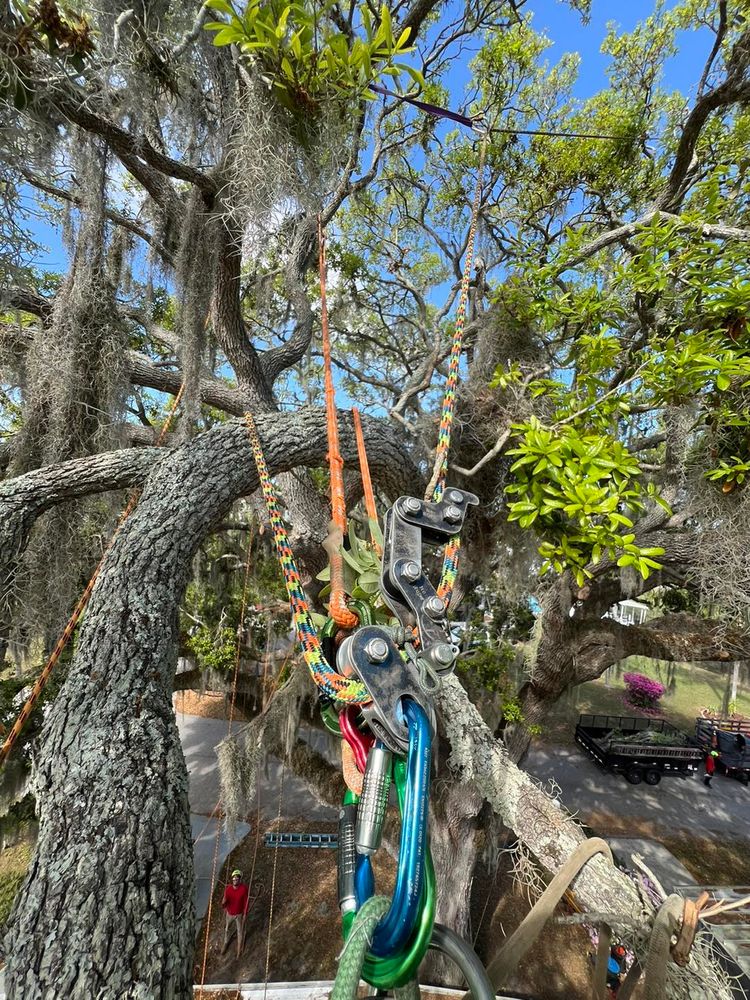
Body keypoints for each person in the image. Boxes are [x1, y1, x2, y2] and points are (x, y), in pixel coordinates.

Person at [222, 869, 249, 957]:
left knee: (240, 931)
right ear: (232, 879)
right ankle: (225, 943)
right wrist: (223, 903)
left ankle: (239, 948)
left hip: (239, 914)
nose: (235, 880)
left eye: (237, 878)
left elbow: (246, 902)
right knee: (227, 929)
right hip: (229, 914)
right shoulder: (228, 889)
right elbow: (224, 902)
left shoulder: (244, 889)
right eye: (234, 878)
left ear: (240, 880)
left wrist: (245, 913)